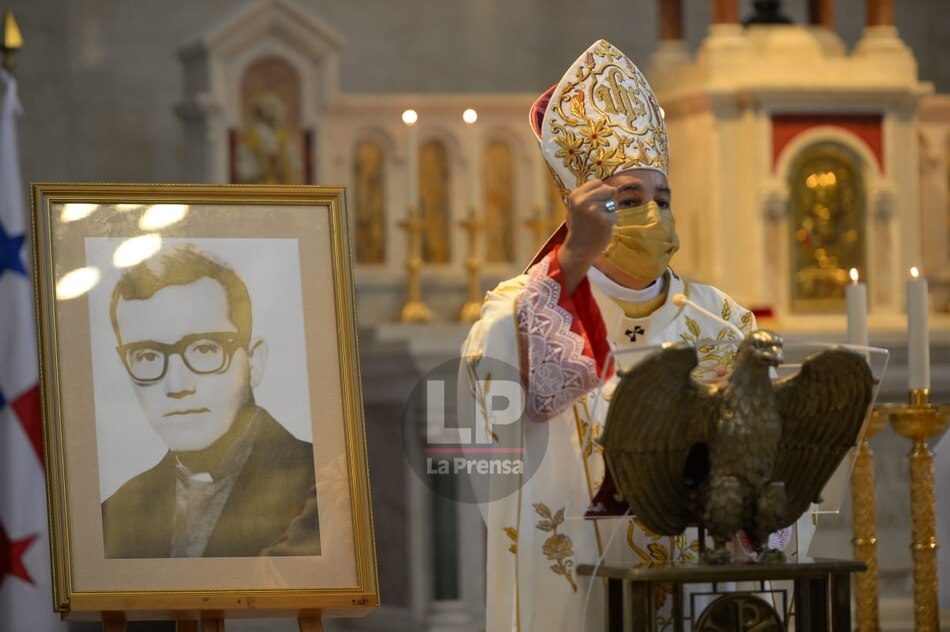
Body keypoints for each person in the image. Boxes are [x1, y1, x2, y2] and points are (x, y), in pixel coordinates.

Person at [459, 39, 772, 631]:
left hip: (699, 595)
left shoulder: (724, 321)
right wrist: (571, 261)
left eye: (663, 198)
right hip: (585, 594)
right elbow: (496, 375)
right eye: (629, 200)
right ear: (580, 210)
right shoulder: (528, 307)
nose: (652, 216)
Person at [101, 243, 320, 559]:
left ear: (254, 362)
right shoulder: (113, 515)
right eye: (147, 356)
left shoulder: (321, 486)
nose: (177, 386)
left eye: (204, 349)